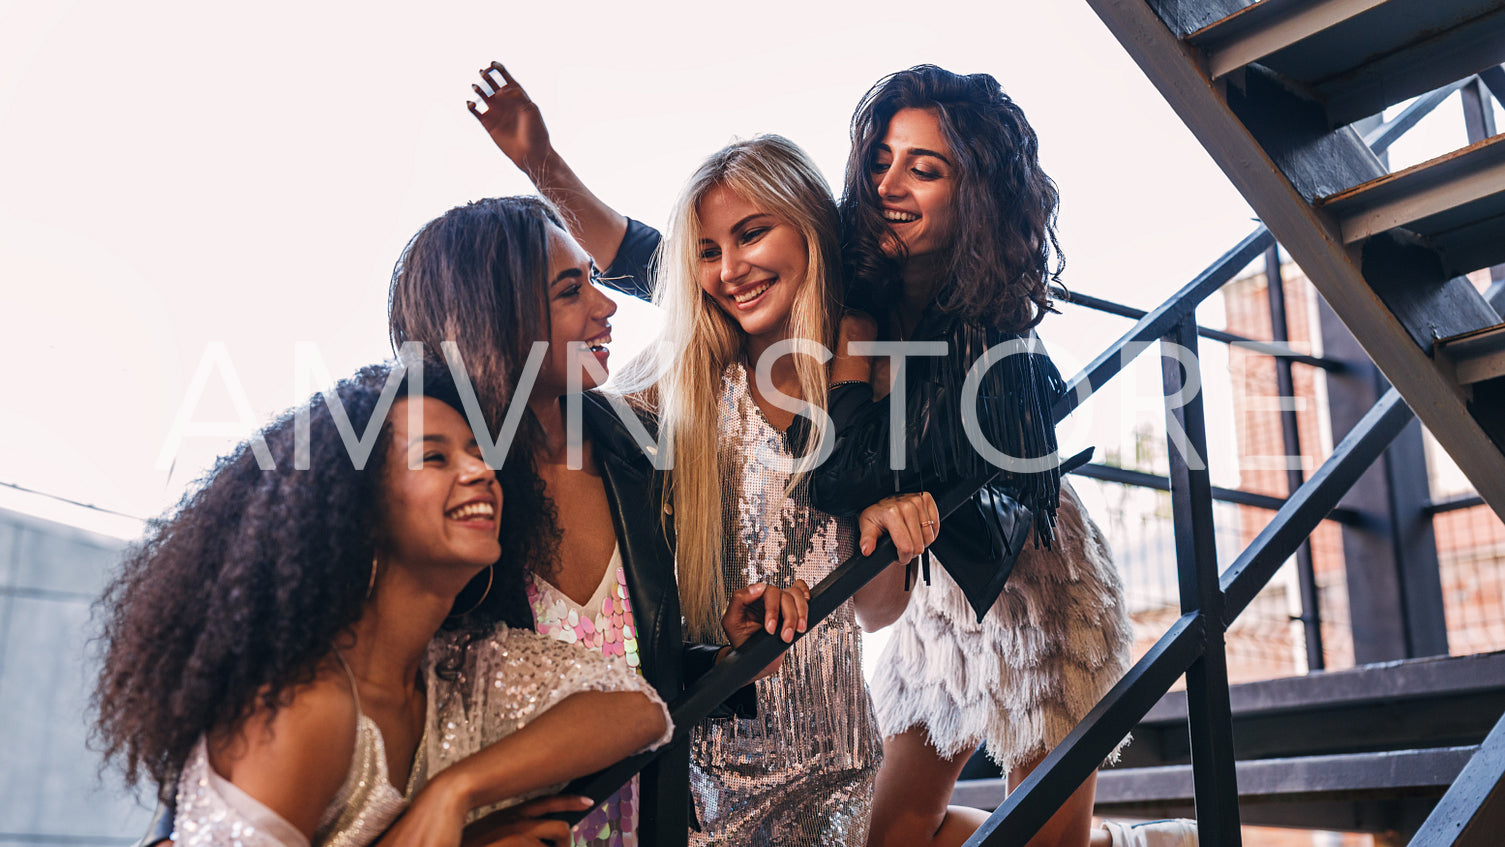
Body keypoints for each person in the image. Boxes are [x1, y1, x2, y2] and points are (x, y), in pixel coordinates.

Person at [469, 69, 940, 846]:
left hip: (839, 759)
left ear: (808, 227)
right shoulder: (678, 386)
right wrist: (539, 164)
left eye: (751, 234)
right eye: (707, 251)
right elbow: (558, 376)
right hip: (702, 758)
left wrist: (886, 516)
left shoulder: (876, 376)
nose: (728, 269)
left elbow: (880, 607)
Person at [388, 194, 817, 847]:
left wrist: (729, 653)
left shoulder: (640, 449)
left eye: (594, 277)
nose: (606, 305)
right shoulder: (440, 497)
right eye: (570, 290)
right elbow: (390, 715)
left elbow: (635, 673)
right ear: (492, 322)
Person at [93, 364, 672, 847]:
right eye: (436, 458)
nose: (481, 471)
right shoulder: (305, 705)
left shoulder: (455, 666)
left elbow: (638, 709)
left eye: (478, 453)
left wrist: (458, 792)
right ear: (354, 510)